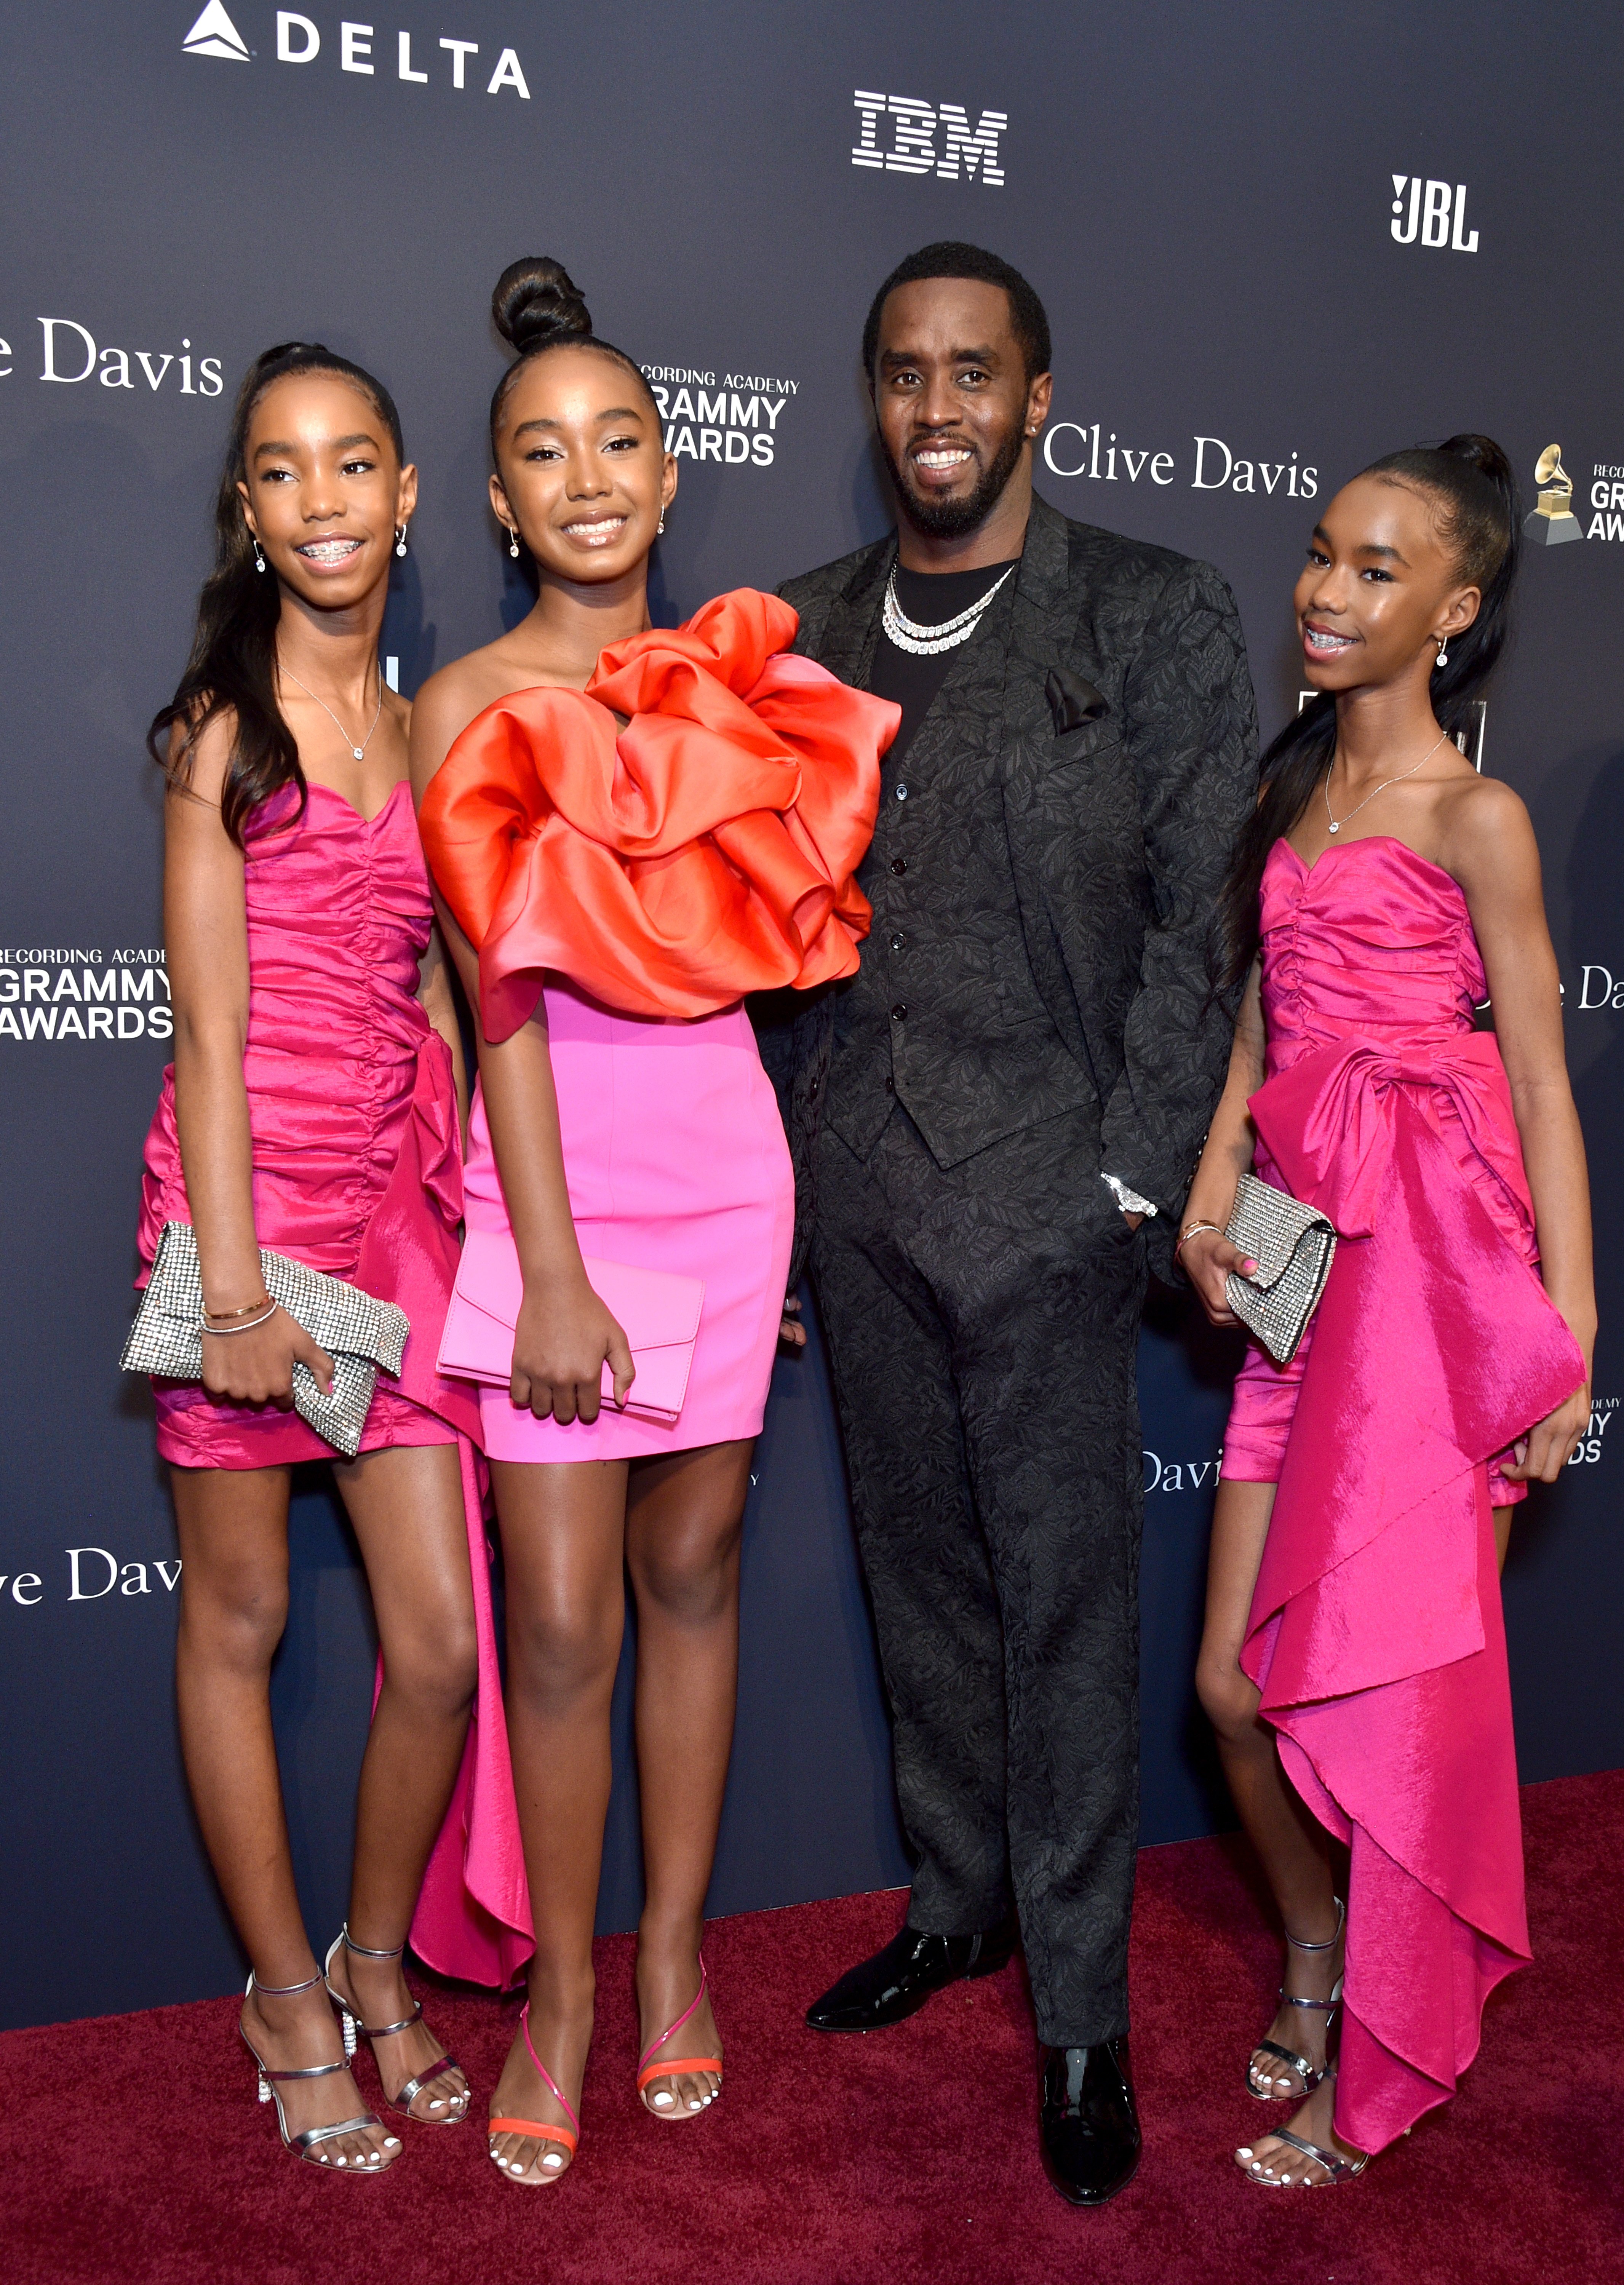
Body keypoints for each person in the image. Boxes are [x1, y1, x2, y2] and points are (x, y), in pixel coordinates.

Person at [755, 241, 1258, 2205]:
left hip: (1058, 1187)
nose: (936, 405)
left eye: (974, 370)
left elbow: (1200, 928)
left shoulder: (1148, 614)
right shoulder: (793, 634)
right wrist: (787, 1202)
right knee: (919, 1572)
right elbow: (739, 938)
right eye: (902, 371)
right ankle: (953, 1904)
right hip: (860, 1183)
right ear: (869, 396)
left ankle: (1078, 2015)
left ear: (1036, 397)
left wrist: (1130, 1179)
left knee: (1061, 1606)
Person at [409, 257, 892, 2189]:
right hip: (559, 1190)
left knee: (691, 1584)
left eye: (620, 439)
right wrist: (547, 1265)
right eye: (545, 451)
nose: (588, 475)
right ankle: (563, 2001)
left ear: (672, 474)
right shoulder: (465, 700)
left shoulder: (741, 690)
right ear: (503, 503)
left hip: (725, 1173)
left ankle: (677, 1959)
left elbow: (770, 974)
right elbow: (497, 1005)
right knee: (554, 1619)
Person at [1182, 436, 1594, 2187]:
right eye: (1320, 555)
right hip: (1299, 1272)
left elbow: (1546, 1085)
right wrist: (1211, 1190)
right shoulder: (1291, 799)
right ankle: (1313, 1945)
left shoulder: (1472, 816)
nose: (1326, 592)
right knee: (1229, 1687)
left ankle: (1380, 2059)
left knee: (1401, 1699)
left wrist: (1564, 1335)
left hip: (1432, 1298)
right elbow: (1263, 1038)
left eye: (1371, 568)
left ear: (1456, 607)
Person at [141, 343, 528, 2175]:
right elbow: (208, 1036)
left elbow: (464, 989)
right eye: (282, 473)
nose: (320, 502)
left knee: (440, 1648)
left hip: (393, 1216)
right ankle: (282, 1992)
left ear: (406, 496)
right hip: (245, 1215)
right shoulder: (227, 735)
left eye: (351, 465)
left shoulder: (428, 726)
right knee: (244, 1618)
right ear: (250, 510)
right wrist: (228, 1296)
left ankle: (377, 1958)